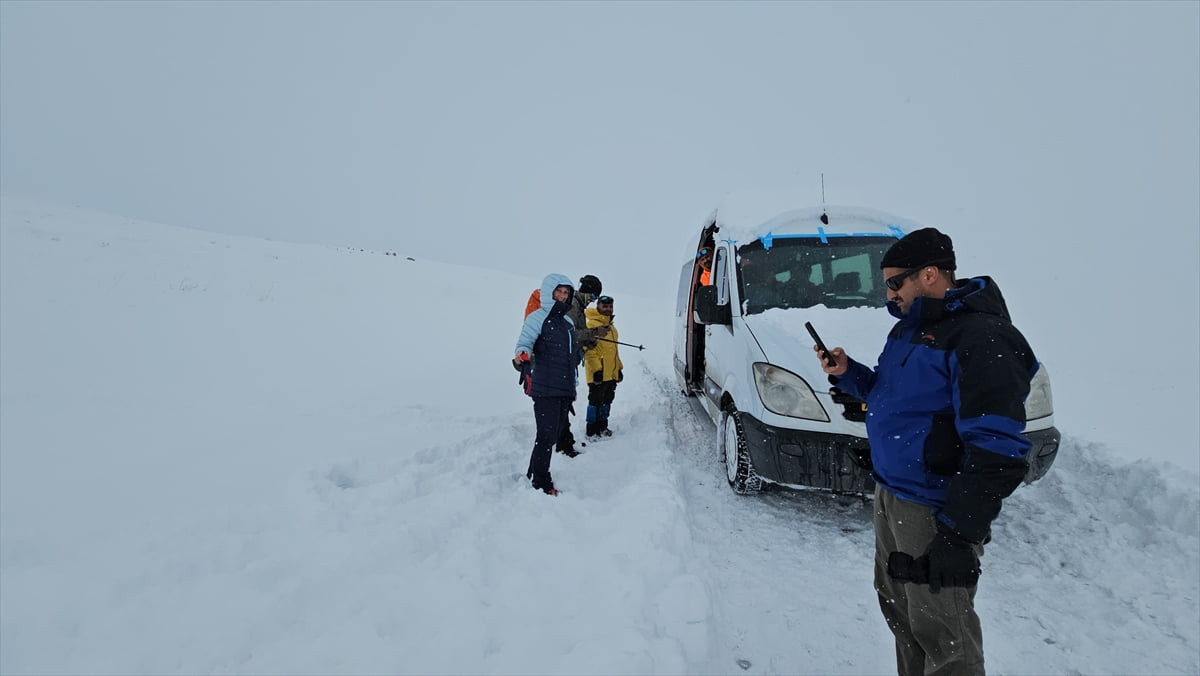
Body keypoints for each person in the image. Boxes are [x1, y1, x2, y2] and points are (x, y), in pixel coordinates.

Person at [813, 228, 1039, 676]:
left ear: (931, 275)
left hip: (934, 512)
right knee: (904, 620)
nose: (889, 294)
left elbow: (999, 449)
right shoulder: (909, 331)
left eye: (896, 283)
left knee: (945, 640)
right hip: (892, 498)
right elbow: (892, 395)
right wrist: (849, 374)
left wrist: (958, 534)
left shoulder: (981, 337)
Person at [514, 274, 578, 495]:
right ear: (549, 292)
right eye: (559, 291)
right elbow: (524, 344)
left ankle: (533, 471)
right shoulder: (537, 318)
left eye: (566, 292)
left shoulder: (568, 322)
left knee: (552, 434)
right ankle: (541, 482)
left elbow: (572, 360)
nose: (563, 295)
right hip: (545, 388)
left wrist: (573, 386)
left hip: (563, 388)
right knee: (546, 436)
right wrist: (521, 357)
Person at [554, 274, 609, 455]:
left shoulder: (579, 306)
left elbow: (578, 334)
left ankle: (564, 440)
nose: (593, 301)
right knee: (563, 401)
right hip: (561, 362)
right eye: (593, 296)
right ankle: (563, 443)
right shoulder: (572, 306)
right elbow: (567, 335)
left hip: (569, 361)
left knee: (566, 400)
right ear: (586, 292)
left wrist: (589, 340)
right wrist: (592, 333)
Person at [583, 295, 623, 438]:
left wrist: (618, 368)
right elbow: (589, 352)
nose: (608, 309)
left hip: (611, 373)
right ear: (598, 306)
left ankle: (602, 426)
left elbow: (614, 352)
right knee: (595, 401)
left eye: (610, 306)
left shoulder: (612, 328)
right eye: (604, 306)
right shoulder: (591, 325)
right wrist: (596, 370)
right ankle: (591, 429)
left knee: (607, 400)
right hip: (597, 374)